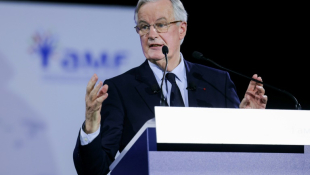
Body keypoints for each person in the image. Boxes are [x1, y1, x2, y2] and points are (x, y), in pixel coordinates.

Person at [73, 0, 268, 174]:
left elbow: (240, 158)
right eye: (143, 27)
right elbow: (95, 171)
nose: (151, 34)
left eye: (160, 25)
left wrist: (246, 124)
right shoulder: (120, 88)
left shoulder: (217, 81)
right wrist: (90, 127)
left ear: (182, 29)